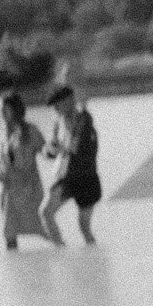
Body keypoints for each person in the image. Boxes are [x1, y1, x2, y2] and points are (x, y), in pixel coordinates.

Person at [41, 84, 102, 246]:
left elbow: (74, 147)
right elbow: (52, 151)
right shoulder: (58, 121)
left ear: (69, 101)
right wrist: (49, 150)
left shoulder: (83, 118)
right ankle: (61, 252)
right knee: (46, 213)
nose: (55, 108)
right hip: (66, 177)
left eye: (57, 104)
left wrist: (59, 147)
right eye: (53, 105)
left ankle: (93, 264)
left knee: (84, 228)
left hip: (86, 177)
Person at [0, 91, 47, 249]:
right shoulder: (3, 136)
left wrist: (55, 148)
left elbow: (44, 150)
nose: (1, 113)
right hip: (9, 190)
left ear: (15, 110)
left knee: (41, 229)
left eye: (5, 109)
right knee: (9, 233)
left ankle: (63, 250)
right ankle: (16, 268)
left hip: (28, 188)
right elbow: (0, 162)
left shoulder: (29, 131)